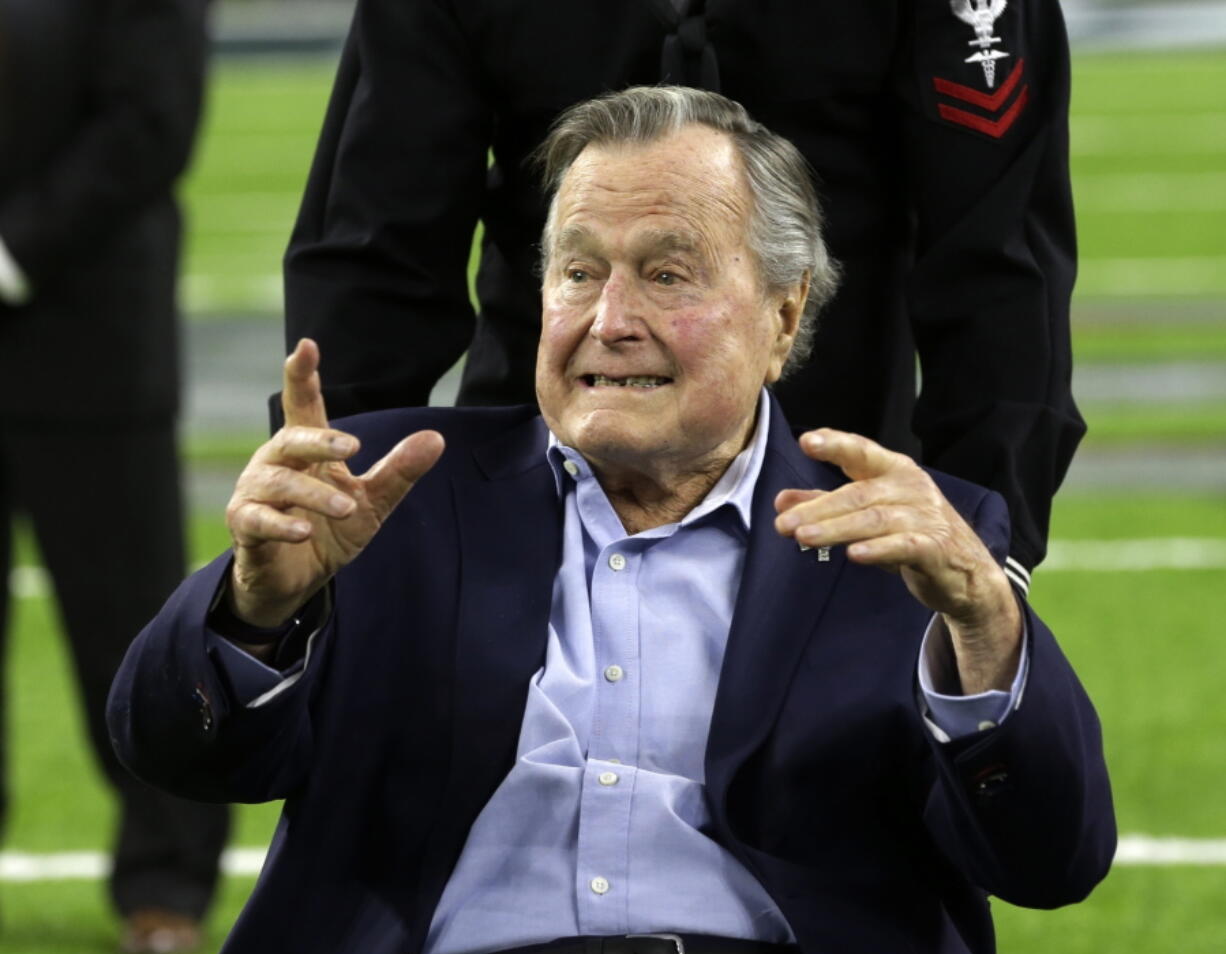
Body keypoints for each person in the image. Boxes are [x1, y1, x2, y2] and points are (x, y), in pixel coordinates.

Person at [111, 88, 1113, 954]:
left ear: (782, 313)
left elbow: (1051, 858)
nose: (609, 318)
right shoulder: (387, 490)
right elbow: (173, 750)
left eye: (666, 274)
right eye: (577, 271)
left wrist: (984, 618)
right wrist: (256, 608)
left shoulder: (905, 533)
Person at [283, 0, 1084, 595]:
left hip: (837, 493)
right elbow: (373, 254)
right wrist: (338, 520)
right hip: (532, 480)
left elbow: (997, 259)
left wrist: (983, 538)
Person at [0, 0, 227, 954]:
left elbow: (151, 120)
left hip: (88, 336)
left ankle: (166, 878)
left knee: (130, 620)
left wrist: (13, 250)